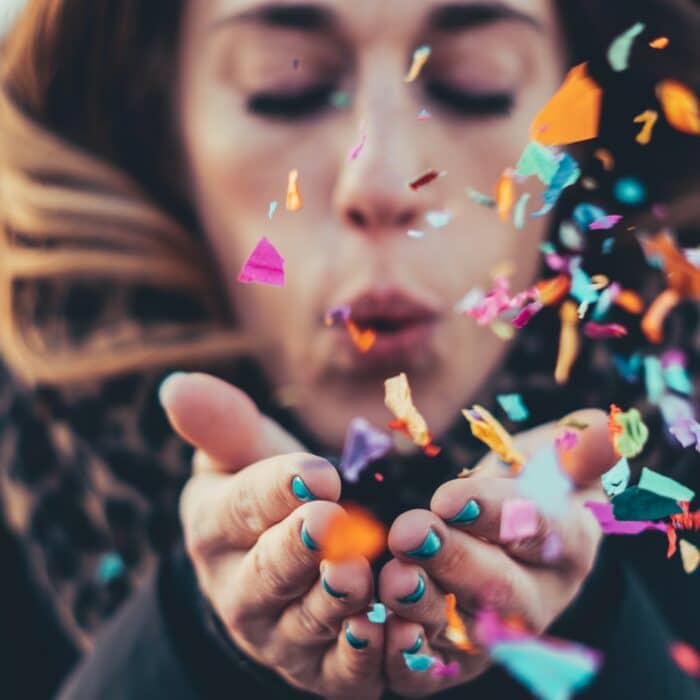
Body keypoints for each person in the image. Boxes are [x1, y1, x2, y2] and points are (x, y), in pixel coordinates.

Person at [0, 0, 698, 698]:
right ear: (164, 135)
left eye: (473, 84)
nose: (383, 183)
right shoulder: (32, 465)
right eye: (284, 88)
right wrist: (196, 642)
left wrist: (587, 626)